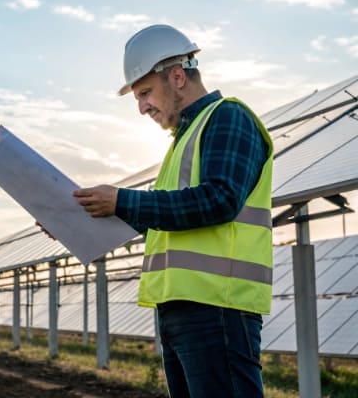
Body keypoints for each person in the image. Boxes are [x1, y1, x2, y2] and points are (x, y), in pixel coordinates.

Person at [71, 24, 273, 397]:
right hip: (182, 311)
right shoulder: (183, 141)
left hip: (217, 309)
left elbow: (219, 200)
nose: (142, 107)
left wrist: (120, 199)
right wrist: (76, 218)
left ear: (177, 76)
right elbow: (162, 222)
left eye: (145, 92)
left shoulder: (227, 118)